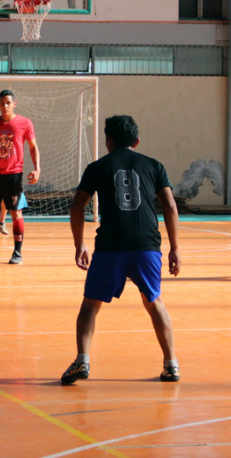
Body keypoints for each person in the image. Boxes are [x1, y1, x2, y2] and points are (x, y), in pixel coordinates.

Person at [60, 115, 181, 385]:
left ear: (108, 141)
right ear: (137, 141)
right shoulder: (154, 165)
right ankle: (171, 364)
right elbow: (170, 206)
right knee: (154, 302)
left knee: (90, 306)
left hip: (110, 246)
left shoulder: (97, 166)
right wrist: (174, 248)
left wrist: (79, 244)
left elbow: (77, 205)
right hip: (146, 245)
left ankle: (82, 361)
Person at [0, 90, 40, 264]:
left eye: (8, 102)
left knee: (16, 213)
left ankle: (17, 252)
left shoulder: (25, 123)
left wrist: (37, 168)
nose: (5, 105)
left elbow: (33, 147)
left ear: (14, 104)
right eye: (2, 103)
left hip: (14, 176)